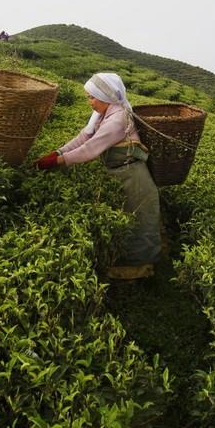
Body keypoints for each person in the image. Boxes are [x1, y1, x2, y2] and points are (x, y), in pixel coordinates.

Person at [35, 73, 161, 280]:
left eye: (92, 97)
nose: (89, 102)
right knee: (125, 218)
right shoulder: (103, 114)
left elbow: (89, 149)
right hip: (119, 174)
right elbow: (84, 137)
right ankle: (124, 261)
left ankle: (141, 268)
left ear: (104, 97)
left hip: (133, 177)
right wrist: (58, 152)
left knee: (140, 221)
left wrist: (57, 162)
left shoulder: (118, 119)